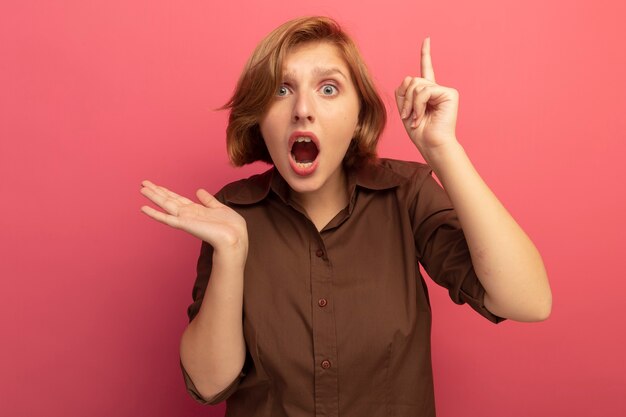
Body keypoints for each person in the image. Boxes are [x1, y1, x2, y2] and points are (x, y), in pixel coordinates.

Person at [139, 16, 551, 417]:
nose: (303, 108)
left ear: (359, 117)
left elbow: (529, 301)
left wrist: (443, 149)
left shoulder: (405, 194)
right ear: (259, 118)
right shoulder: (230, 214)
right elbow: (208, 385)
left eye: (329, 88)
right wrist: (230, 253)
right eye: (281, 90)